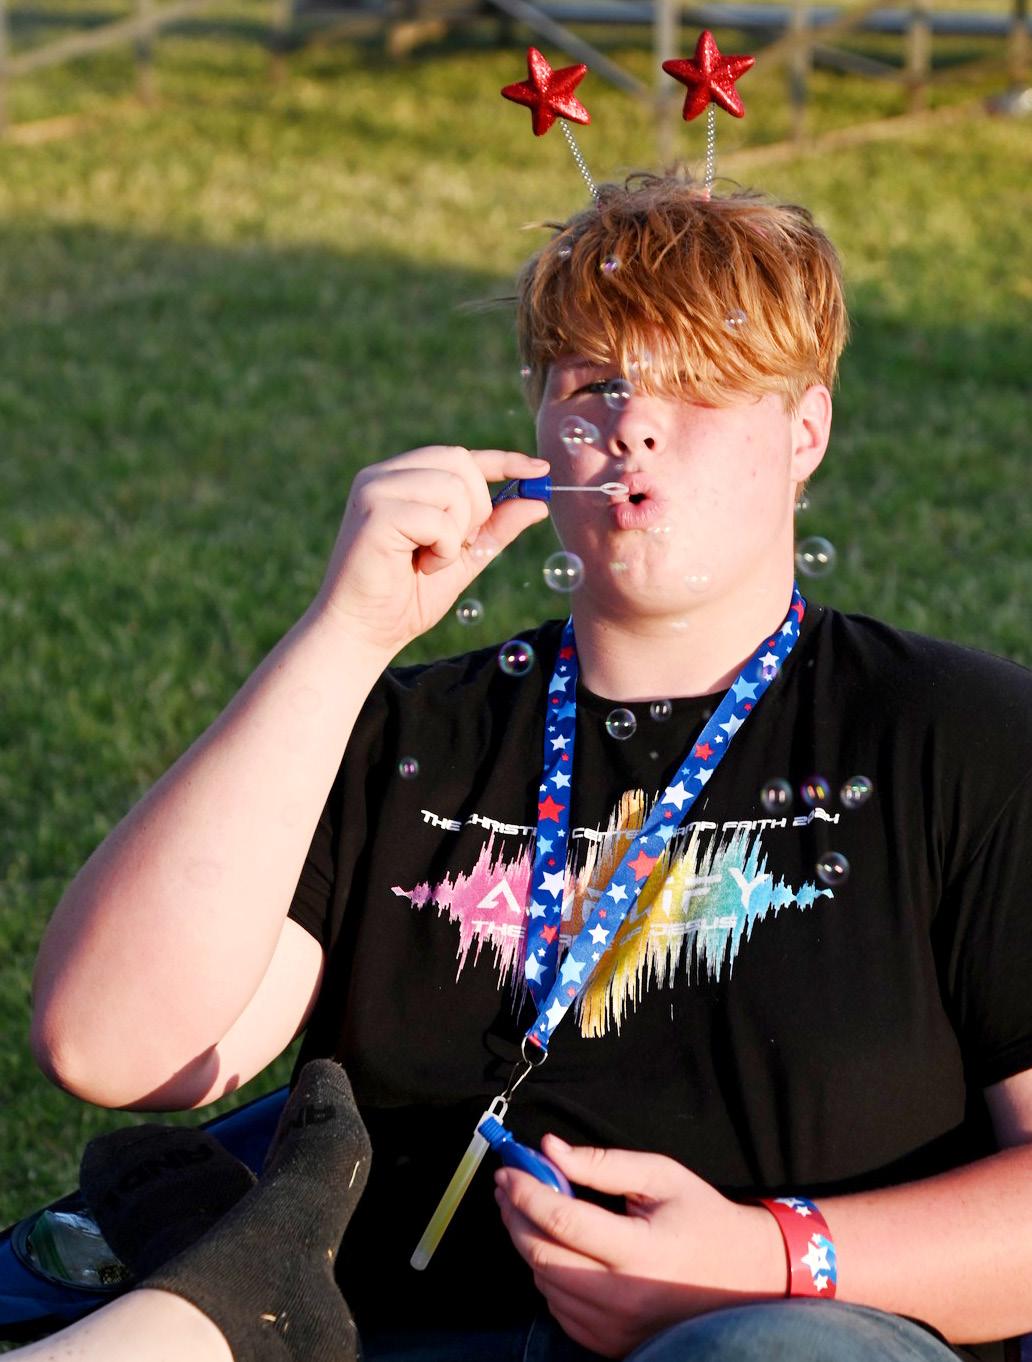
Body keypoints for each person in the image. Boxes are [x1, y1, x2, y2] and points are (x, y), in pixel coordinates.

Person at [26, 173, 1032, 1362]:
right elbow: (110, 1046)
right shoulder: (404, 741)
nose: (635, 423)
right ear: (540, 428)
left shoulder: (956, 735)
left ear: (804, 430)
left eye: (701, 383)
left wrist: (772, 1261)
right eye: (594, 383)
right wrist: (342, 637)